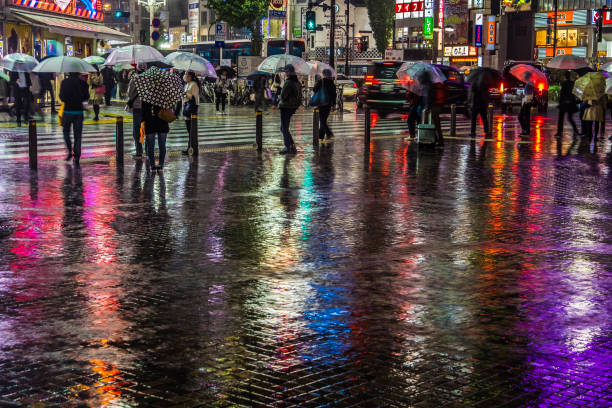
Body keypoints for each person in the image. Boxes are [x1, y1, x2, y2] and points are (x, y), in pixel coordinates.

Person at [59, 72, 89, 165]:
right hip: (79, 112)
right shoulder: (83, 83)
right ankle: (77, 156)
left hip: (67, 111)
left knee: (66, 132)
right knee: (78, 135)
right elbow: (86, 97)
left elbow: (62, 97)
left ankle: (69, 151)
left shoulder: (64, 82)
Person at [278, 64, 301, 154]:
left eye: (286, 71)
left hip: (286, 107)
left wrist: (279, 96)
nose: (285, 73)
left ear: (288, 72)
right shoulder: (297, 82)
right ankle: (291, 145)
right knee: (283, 127)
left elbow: (283, 96)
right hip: (292, 107)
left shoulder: (288, 82)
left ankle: (287, 146)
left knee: (284, 127)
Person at [142, 100, 169, 172]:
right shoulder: (165, 97)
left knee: (150, 146)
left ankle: (153, 165)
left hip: (150, 123)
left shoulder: (147, 97)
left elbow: (143, 111)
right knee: (162, 145)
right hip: (162, 122)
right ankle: (160, 165)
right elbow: (169, 109)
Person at [127, 63, 146, 159]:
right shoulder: (149, 79)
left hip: (137, 106)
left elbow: (129, 93)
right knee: (144, 128)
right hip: (146, 106)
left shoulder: (134, 79)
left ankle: (139, 151)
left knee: (136, 129)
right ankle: (147, 149)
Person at [312, 68, 337, 140]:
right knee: (324, 119)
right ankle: (321, 136)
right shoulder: (332, 83)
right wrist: (333, 104)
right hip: (328, 104)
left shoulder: (321, 81)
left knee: (322, 120)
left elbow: (314, 89)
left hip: (321, 103)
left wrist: (317, 84)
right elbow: (334, 95)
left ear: (324, 74)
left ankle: (329, 133)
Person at [555, 71, 580, 138]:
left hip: (564, 103)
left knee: (561, 118)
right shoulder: (572, 83)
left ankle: (559, 133)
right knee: (570, 118)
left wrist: (560, 101)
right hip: (571, 103)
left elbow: (562, 94)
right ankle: (576, 130)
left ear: (564, 76)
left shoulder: (564, 83)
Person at [182, 71, 200, 155]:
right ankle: (189, 148)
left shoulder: (194, 85)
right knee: (189, 131)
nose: (184, 76)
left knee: (191, 131)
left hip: (191, 110)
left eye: (186, 75)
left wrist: (185, 94)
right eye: (185, 74)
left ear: (190, 77)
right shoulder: (186, 85)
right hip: (186, 109)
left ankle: (191, 148)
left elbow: (194, 98)